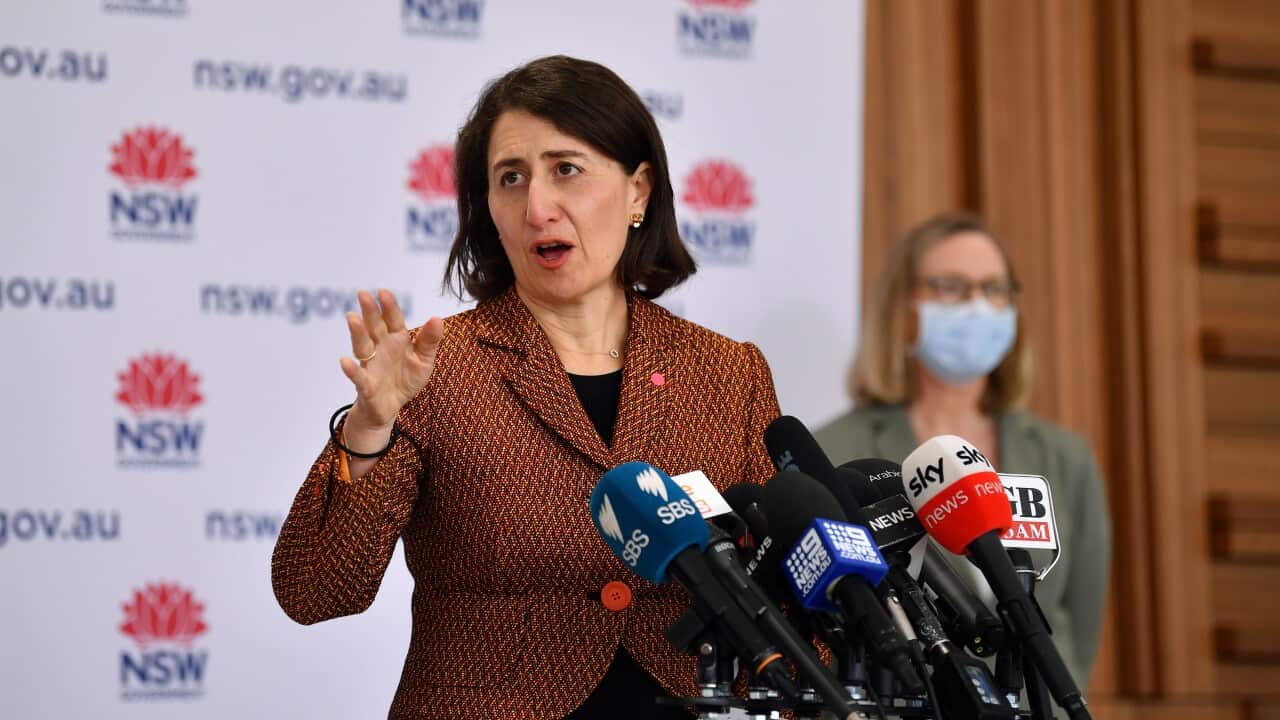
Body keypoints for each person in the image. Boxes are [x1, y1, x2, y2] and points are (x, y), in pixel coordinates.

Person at [270, 55, 780, 719]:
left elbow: (783, 596)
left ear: (637, 191)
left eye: (566, 168)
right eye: (511, 178)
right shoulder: (436, 366)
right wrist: (370, 429)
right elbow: (315, 592)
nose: (538, 206)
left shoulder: (725, 372)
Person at [814, 212, 1111, 691]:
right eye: (951, 287)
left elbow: (1079, 624)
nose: (978, 306)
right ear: (903, 306)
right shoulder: (836, 450)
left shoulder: (1066, 458)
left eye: (995, 289)